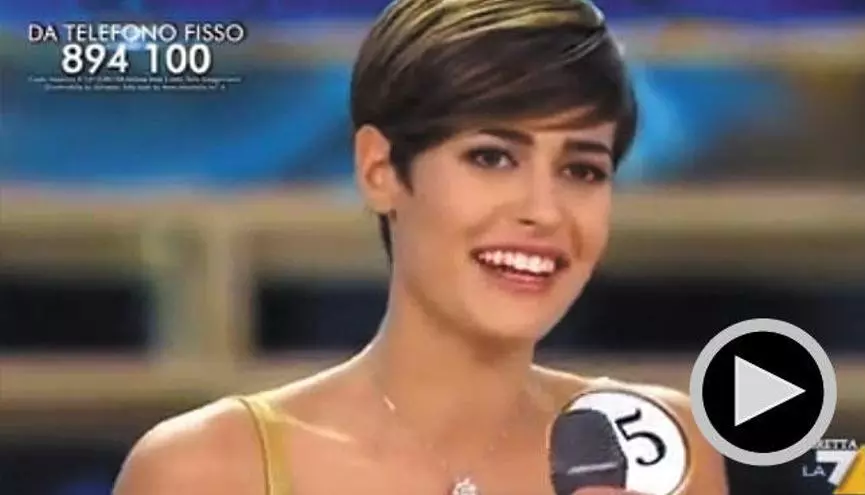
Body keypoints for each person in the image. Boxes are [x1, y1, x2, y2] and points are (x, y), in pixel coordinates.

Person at [113, 0, 729, 494]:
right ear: (380, 169)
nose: (544, 211)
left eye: (582, 170)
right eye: (492, 158)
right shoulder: (206, 469)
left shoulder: (657, 451)